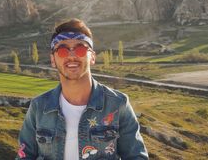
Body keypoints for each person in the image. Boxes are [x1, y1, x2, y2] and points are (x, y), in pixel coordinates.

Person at [16, 18, 149, 160]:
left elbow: (136, 157)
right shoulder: (39, 107)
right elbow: (24, 156)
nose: (71, 56)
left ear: (92, 57)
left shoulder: (118, 104)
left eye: (80, 48)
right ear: (53, 59)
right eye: (62, 50)